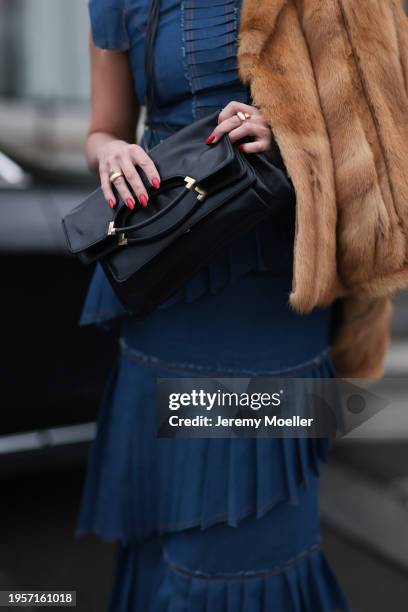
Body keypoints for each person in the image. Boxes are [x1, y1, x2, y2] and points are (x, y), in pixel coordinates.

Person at [77, 0, 350, 609]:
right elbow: (103, 130)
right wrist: (110, 154)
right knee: (171, 527)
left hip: (277, 288)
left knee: (259, 536)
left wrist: (291, 136)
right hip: (165, 285)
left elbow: (377, 126)